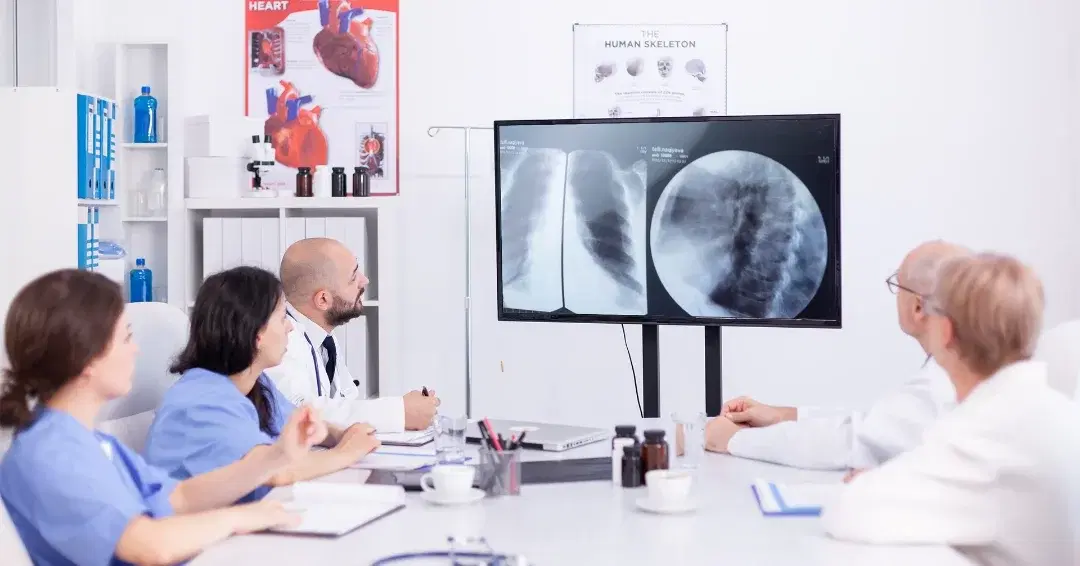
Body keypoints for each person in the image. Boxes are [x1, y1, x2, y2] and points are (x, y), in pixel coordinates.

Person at [0, 269, 323, 566]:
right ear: (87, 357)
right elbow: (148, 546)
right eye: (126, 338)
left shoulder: (90, 442)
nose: (136, 350)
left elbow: (179, 496)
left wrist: (278, 456)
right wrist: (240, 518)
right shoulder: (52, 453)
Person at [822, 252, 1080, 566]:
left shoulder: (986, 432)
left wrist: (878, 485)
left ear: (945, 330)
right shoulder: (1056, 410)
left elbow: (849, 511)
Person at [703, 240, 968, 470]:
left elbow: (851, 442)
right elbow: (872, 424)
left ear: (918, 308)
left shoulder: (943, 383)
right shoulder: (955, 367)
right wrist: (781, 415)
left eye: (897, 284)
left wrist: (733, 439)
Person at [145, 266, 380, 502]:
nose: (290, 327)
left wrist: (342, 434)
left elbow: (298, 425)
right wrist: (346, 453)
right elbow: (271, 471)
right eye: (283, 318)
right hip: (202, 523)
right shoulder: (201, 402)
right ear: (256, 333)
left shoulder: (255, 383)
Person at [265, 237, 439, 432]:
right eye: (353, 277)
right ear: (323, 300)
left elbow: (345, 403)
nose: (365, 281)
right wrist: (400, 412)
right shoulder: (281, 341)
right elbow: (296, 412)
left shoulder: (323, 337)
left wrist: (408, 408)